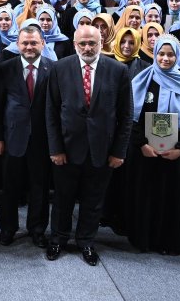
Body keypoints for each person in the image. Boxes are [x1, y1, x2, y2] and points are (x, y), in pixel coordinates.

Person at [45, 25, 132, 266]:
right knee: (62, 199)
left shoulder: (118, 70)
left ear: (101, 43)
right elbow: (51, 111)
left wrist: (118, 151)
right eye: (82, 43)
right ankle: (58, 239)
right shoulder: (59, 68)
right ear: (74, 44)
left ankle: (86, 241)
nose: (87, 48)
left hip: (102, 151)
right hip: (66, 149)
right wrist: (55, 148)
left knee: (93, 200)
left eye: (92, 43)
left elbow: (126, 115)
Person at [123, 35, 180, 255]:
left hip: (174, 154)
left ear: (177, 56)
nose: (165, 58)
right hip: (145, 152)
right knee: (145, 195)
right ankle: (142, 239)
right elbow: (130, 116)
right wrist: (142, 144)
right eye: (161, 54)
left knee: (170, 197)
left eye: (170, 54)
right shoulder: (143, 79)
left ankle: (166, 241)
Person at [0, 23, 52, 247]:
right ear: (17, 44)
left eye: (34, 43)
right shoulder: (5, 68)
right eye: (25, 43)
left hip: (42, 140)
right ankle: (7, 228)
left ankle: (37, 230)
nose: (29, 47)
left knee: (40, 187)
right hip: (12, 138)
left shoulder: (53, 68)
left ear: (43, 44)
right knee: (10, 187)